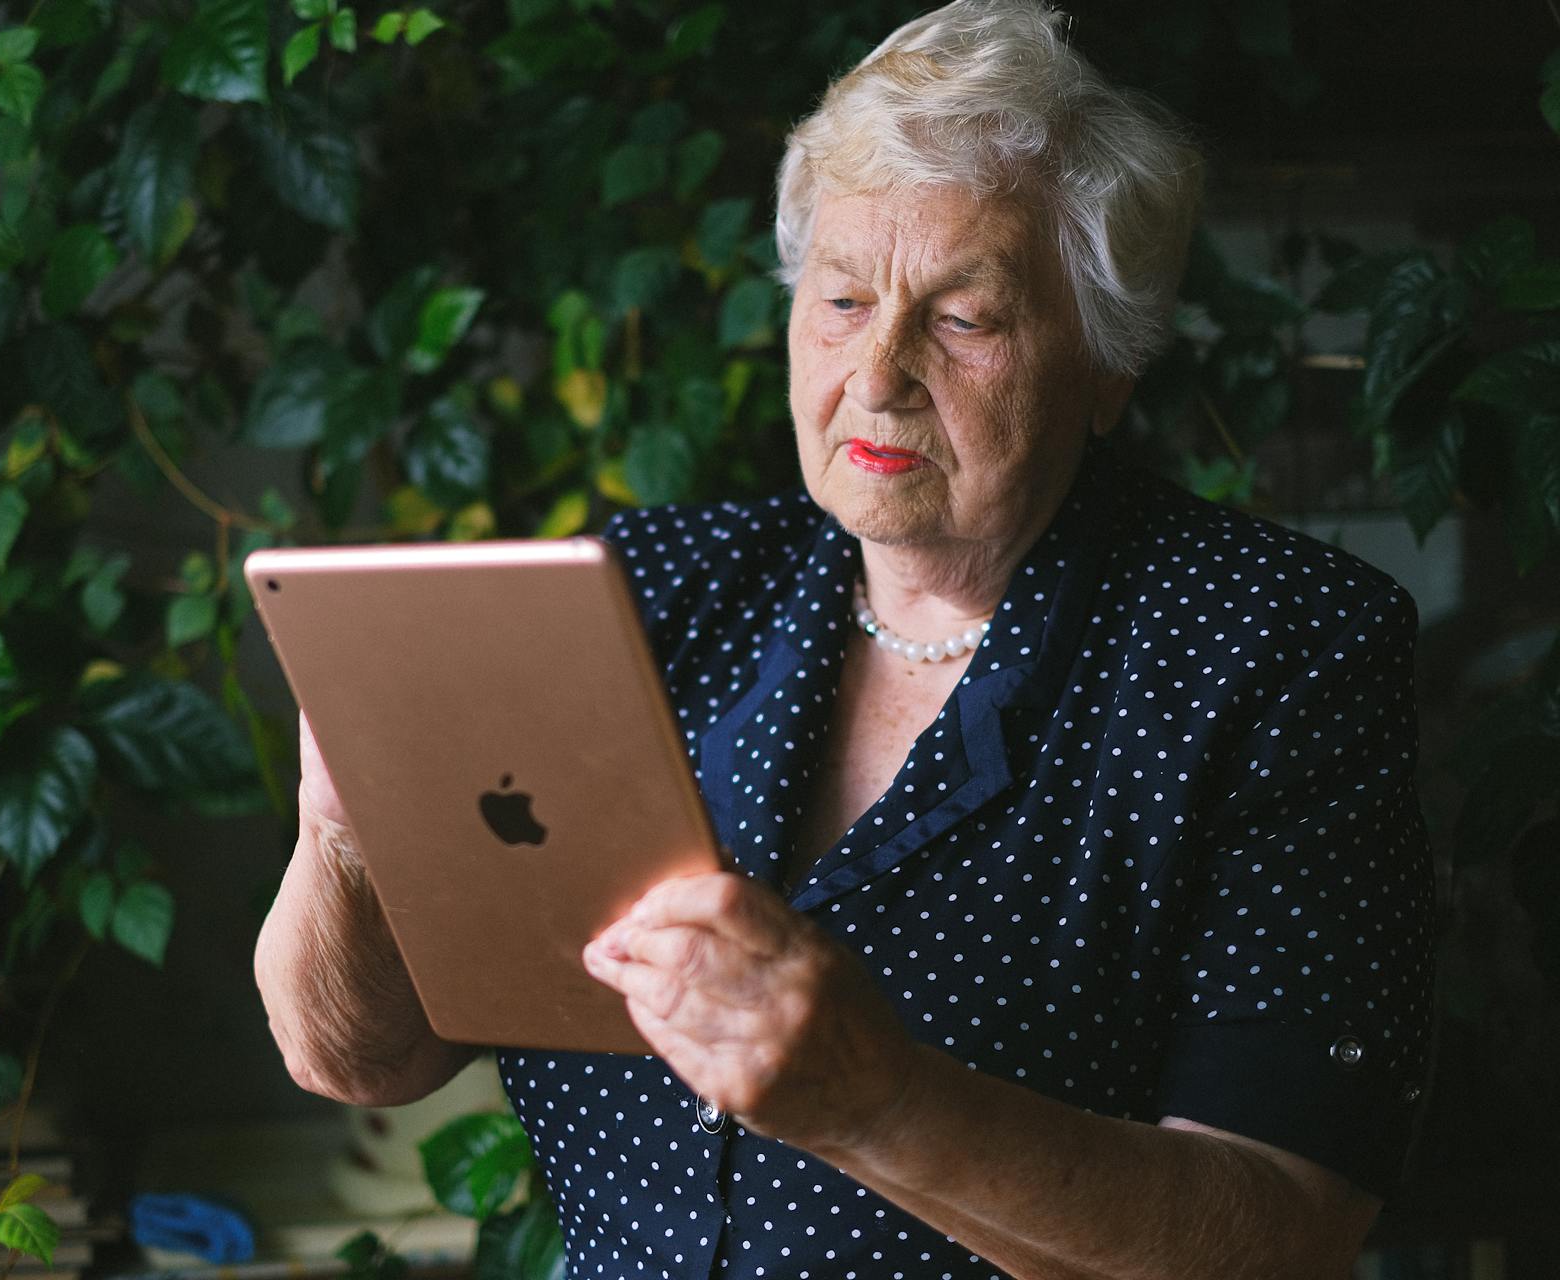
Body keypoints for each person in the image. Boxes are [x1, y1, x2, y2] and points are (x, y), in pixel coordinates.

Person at [254, 1, 1437, 1276]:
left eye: (963, 318)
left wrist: (877, 1102)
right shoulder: (642, 594)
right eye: (841, 298)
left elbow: (1285, 1230)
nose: (876, 372)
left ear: (1106, 365)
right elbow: (363, 1058)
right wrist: (345, 834)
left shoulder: (1273, 652)